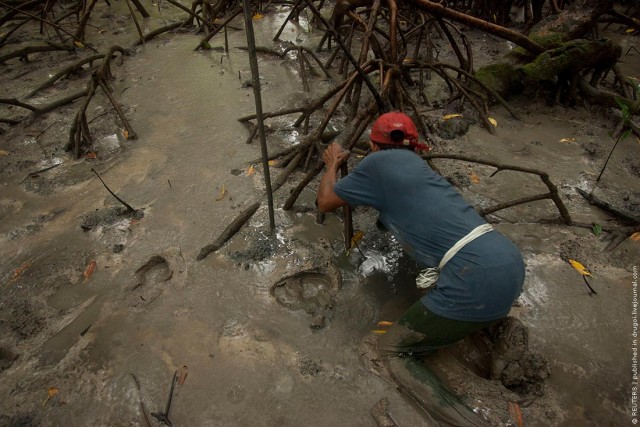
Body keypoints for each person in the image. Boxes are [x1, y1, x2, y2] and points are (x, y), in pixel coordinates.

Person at [317, 111, 525, 425]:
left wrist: (332, 163)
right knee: (442, 293)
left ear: (374, 148)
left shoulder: (375, 164)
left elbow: (325, 202)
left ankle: (471, 422)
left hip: (474, 278)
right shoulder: (419, 169)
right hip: (506, 260)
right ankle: (497, 331)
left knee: (391, 349)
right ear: (416, 149)